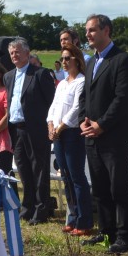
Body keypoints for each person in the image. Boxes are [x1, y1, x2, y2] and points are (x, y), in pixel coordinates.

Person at [78, 14, 128, 254]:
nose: (88, 35)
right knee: (99, 187)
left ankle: (124, 236)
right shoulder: (92, 62)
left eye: (92, 30)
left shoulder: (122, 60)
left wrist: (101, 124)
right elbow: (86, 96)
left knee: (118, 187)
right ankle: (106, 231)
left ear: (106, 31)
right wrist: (84, 121)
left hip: (113, 136)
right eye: (86, 31)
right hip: (91, 135)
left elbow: (122, 99)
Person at [4, 37, 57, 225]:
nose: (14, 55)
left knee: (39, 170)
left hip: (36, 129)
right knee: (24, 171)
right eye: (11, 53)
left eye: (17, 51)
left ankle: (41, 210)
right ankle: (27, 207)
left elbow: (52, 103)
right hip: (17, 130)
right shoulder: (9, 76)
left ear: (27, 53)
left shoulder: (40, 74)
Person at [48, 45, 91, 235]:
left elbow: (76, 109)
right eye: (62, 59)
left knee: (77, 177)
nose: (64, 62)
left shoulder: (81, 82)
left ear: (77, 59)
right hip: (57, 133)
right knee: (65, 176)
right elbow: (54, 106)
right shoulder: (63, 83)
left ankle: (84, 220)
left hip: (71, 133)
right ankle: (72, 217)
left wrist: (61, 126)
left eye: (67, 58)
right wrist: (50, 125)